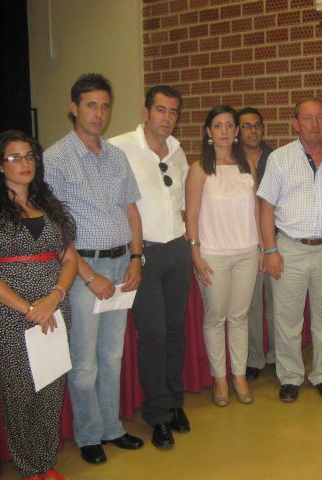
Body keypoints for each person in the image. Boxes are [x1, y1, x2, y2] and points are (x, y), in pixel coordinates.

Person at [0, 130, 77, 480]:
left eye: (30, 156)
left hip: (54, 310)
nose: (25, 163)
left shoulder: (49, 204)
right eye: (15, 157)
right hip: (9, 316)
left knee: (51, 388)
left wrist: (54, 297)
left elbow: (69, 259)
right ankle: (31, 469)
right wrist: (29, 308)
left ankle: (46, 463)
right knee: (19, 394)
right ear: (0, 165)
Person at [44, 73, 144, 464]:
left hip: (121, 265)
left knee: (112, 356)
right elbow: (55, 228)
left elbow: (131, 211)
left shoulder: (117, 155)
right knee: (84, 361)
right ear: (74, 108)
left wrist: (136, 258)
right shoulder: (55, 159)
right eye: (91, 105)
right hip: (81, 269)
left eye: (104, 106)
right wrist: (88, 275)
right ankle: (88, 435)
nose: (99, 113)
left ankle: (111, 428)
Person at [258, 98, 322, 403]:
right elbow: (265, 207)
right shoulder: (280, 159)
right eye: (307, 118)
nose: (314, 124)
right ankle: (290, 377)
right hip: (290, 249)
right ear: (295, 123)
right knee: (287, 319)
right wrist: (270, 250)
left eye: (320, 117)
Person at [109, 85, 190, 449]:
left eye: (173, 112)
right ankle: (157, 415)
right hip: (143, 255)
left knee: (175, 331)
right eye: (161, 110)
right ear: (145, 113)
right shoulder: (119, 148)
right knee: (154, 334)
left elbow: (181, 202)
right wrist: (132, 254)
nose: (167, 118)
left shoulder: (177, 150)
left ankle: (174, 402)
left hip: (177, 251)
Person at [185, 105, 261, 406]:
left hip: (246, 252)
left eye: (230, 125)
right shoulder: (199, 169)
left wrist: (261, 247)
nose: (225, 131)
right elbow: (191, 215)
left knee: (240, 316)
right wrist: (195, 252)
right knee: (216, 317)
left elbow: (256, 210)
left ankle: (239, 376)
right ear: (208, 131)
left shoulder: (247, 166)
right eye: (218, 125)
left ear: (237, 131)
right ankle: (219, 378)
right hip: (213, 255)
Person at [238, 106, 275, 382]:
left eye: (257, 125)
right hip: (246, 242)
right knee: (250, 305)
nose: (253, 131)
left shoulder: (276, 158)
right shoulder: (230, 160)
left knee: (277, 303)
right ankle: (254, 359)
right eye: (247, 126)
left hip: (275, 239)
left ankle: (277, 354)